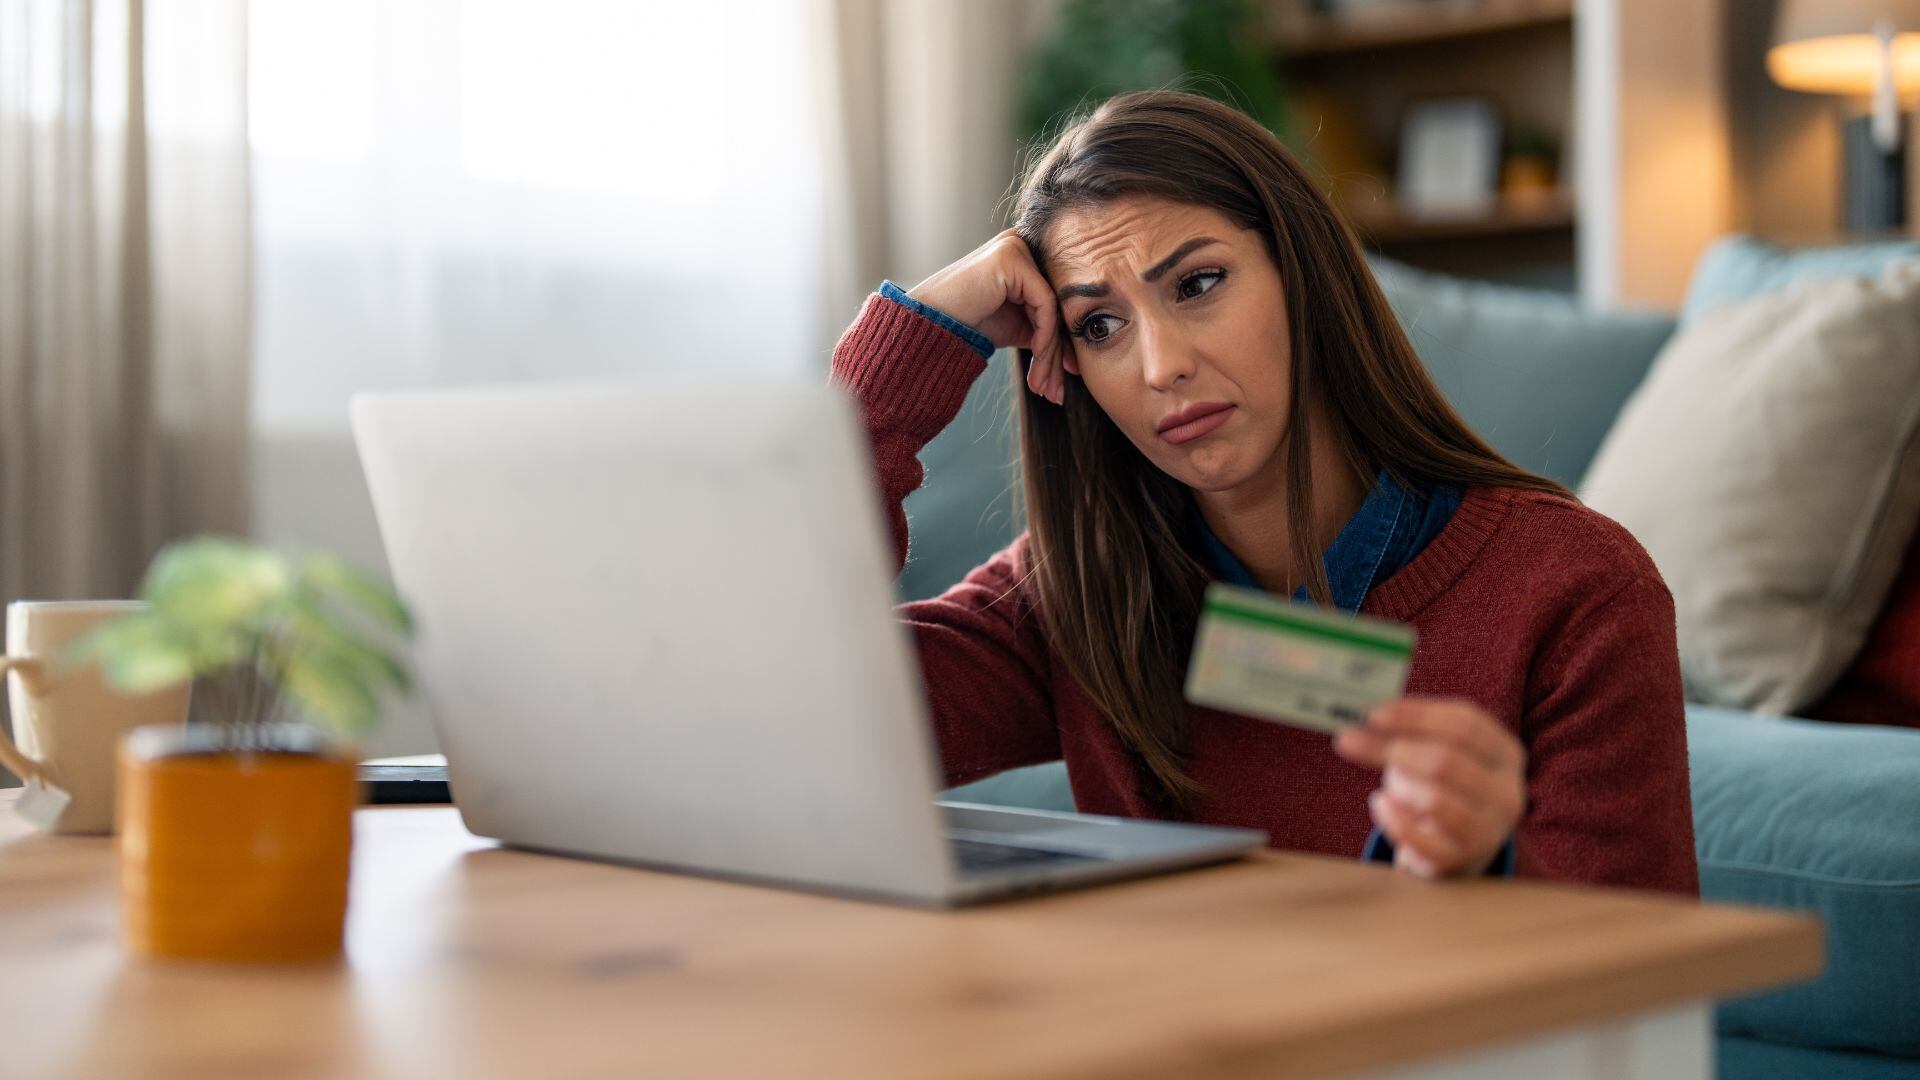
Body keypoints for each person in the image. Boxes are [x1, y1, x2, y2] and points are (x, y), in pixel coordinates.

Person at [830, 90, 1697, 894]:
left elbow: (1643, 1008)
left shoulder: (1575, 588)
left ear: (1303, 276)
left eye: (1198, 284)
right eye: (1100, 325)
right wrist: (916, 340)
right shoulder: (1083, 595)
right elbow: (786, 718)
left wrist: (1488, 872)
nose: (1162, 364)